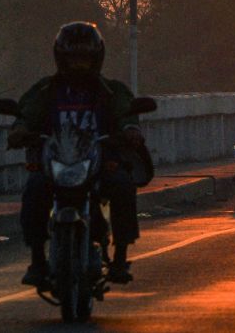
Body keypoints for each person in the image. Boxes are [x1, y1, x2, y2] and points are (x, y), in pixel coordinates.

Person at [9, 21, 144, 287]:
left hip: (98, 162)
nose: (78, 65)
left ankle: (120, 257)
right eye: (73, 59)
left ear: (97, 58)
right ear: (61, 58)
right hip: (56, 163)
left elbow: (127, 114)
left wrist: (130, 130)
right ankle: (37, 259)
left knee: (122, 187)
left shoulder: (111, 90)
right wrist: (19, 130)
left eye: (85, 59)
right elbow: (26, 115)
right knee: (35, 190)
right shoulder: (46, 90)